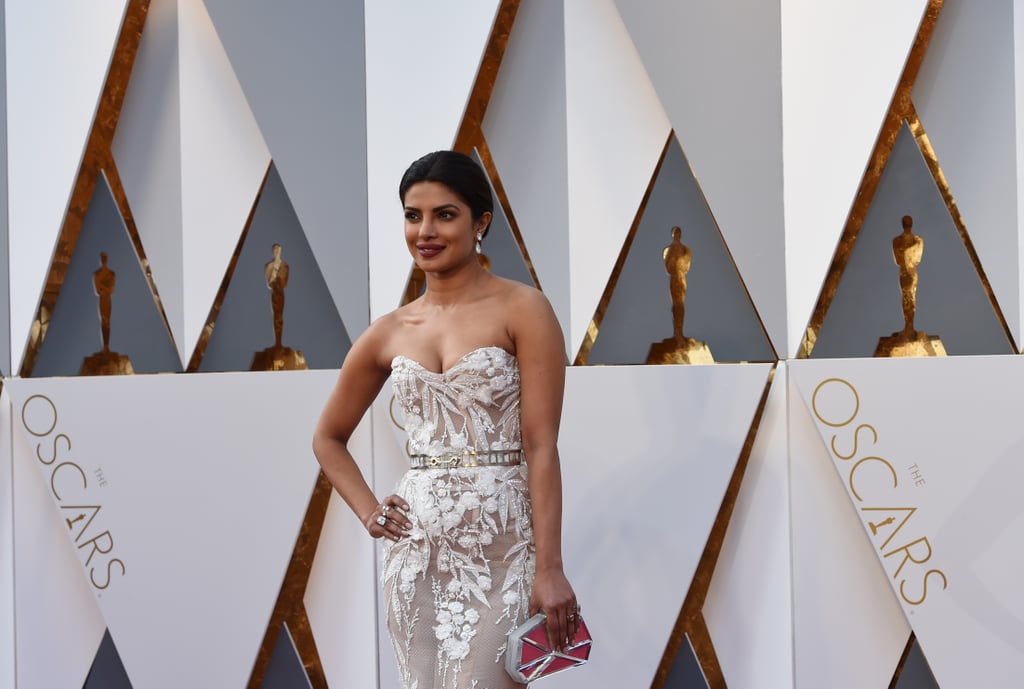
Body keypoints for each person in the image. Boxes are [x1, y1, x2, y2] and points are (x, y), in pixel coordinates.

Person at [312, 150, 578, 688]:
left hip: (504, 547)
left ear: (481, 222)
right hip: (417, 549)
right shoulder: (389, 330)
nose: (425, 231)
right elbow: (328, 438)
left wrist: (549, 567)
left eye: (444, 214)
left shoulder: (524, 309)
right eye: (413, 216)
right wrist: (368, 511)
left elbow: (541, 446)